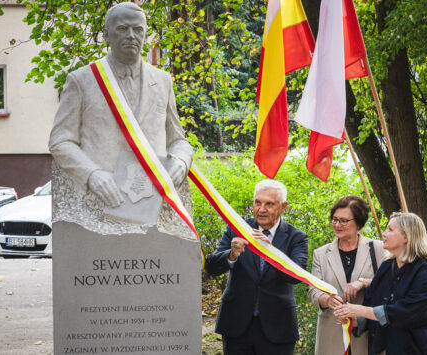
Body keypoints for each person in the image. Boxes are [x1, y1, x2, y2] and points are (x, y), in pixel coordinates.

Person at [48, 2, 192, 231]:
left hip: (152, 202)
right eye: (123, 29)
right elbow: (60, 140)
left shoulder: (163, 81)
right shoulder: (82, 80)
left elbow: (178, 140)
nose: (131, 36)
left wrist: (181, 162)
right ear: (106, 34)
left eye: (138, 29)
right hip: (102, 203)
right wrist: (91, 174)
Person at [205, 180, 309, 355]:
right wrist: (231, 255)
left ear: (283, 206)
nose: (261, 209)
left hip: (278, 327)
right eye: (257, 202)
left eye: (269, 204)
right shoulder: (236, 228)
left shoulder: (296, 237)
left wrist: (270, 252)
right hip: (236, 324)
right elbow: (211, 267)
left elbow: (296, 276)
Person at [335, 212, 427, 355]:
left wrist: (361, 310)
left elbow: (410, 312)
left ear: (406, 236)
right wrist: (355, 320)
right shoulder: (387, 267)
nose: (384, 234)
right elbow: (373, 305)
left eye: (390, 229)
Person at [307, 196, 388, 355]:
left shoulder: (378, 249)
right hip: (331, 336)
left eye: (344, 221)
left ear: (358, 223)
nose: (337, 225)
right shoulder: (321, 254)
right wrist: (327, 300)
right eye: (334, 219)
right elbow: (313, 291)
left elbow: (389, 283)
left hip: (367, 336)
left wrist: (362, 283)